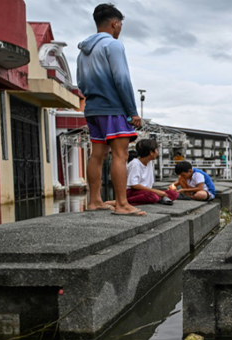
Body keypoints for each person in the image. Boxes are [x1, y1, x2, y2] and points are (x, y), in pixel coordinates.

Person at [77, 4, 144, 216]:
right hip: (113, 107)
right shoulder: (113, 46)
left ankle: (94, 200)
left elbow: (80, 82)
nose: (120, 28)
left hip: (93, 108)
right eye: (120, 24)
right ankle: (122, 204)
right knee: (120, 154)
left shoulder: (83, 52)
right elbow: (122, 79)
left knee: (97, 155)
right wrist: (132, 111)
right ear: (114, 23)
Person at [105, 139, 178, 207]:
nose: (157, 152)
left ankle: (157, 198)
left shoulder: (150, 162)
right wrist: (156, 191)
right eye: (156, 150)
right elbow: (133, 185)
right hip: (132, 192)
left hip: (145, 192)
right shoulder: (135, 163)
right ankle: (121, 202)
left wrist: (157, 192)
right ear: (151, 153)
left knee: (173, 193)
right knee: (152, 196)